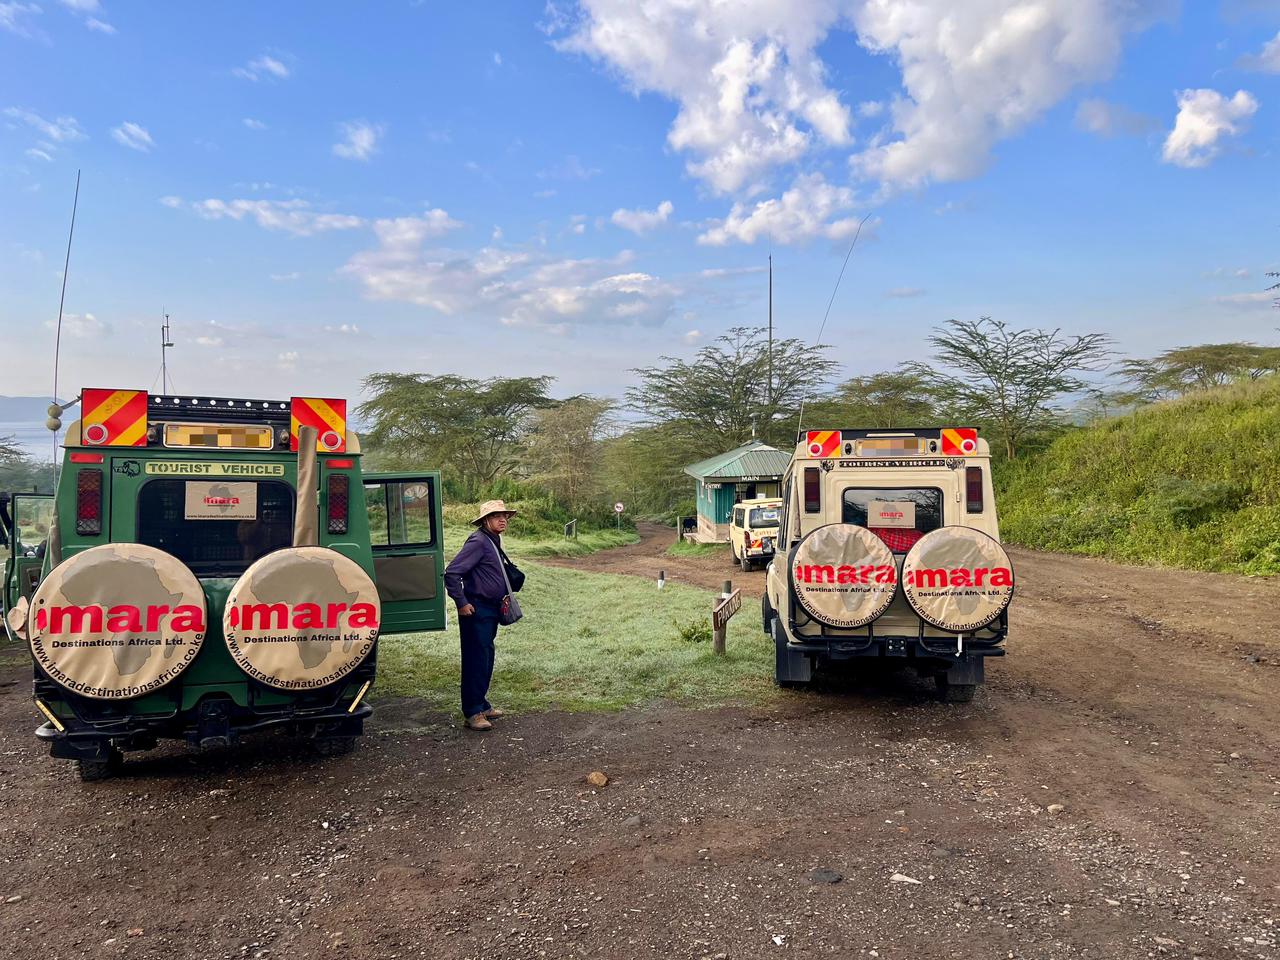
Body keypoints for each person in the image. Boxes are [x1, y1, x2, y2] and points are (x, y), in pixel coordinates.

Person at [443, 499, 525, 731]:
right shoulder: (478, 541)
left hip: (491, 608)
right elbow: (452, 573)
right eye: (496, 516)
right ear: (485, 520)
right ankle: (473, 712)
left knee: (486, 655)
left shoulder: (491, 539)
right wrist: (462, 602)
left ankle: (482, 703)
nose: (502, 519)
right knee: (475, 659)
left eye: (504, 516)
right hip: (476, 608)